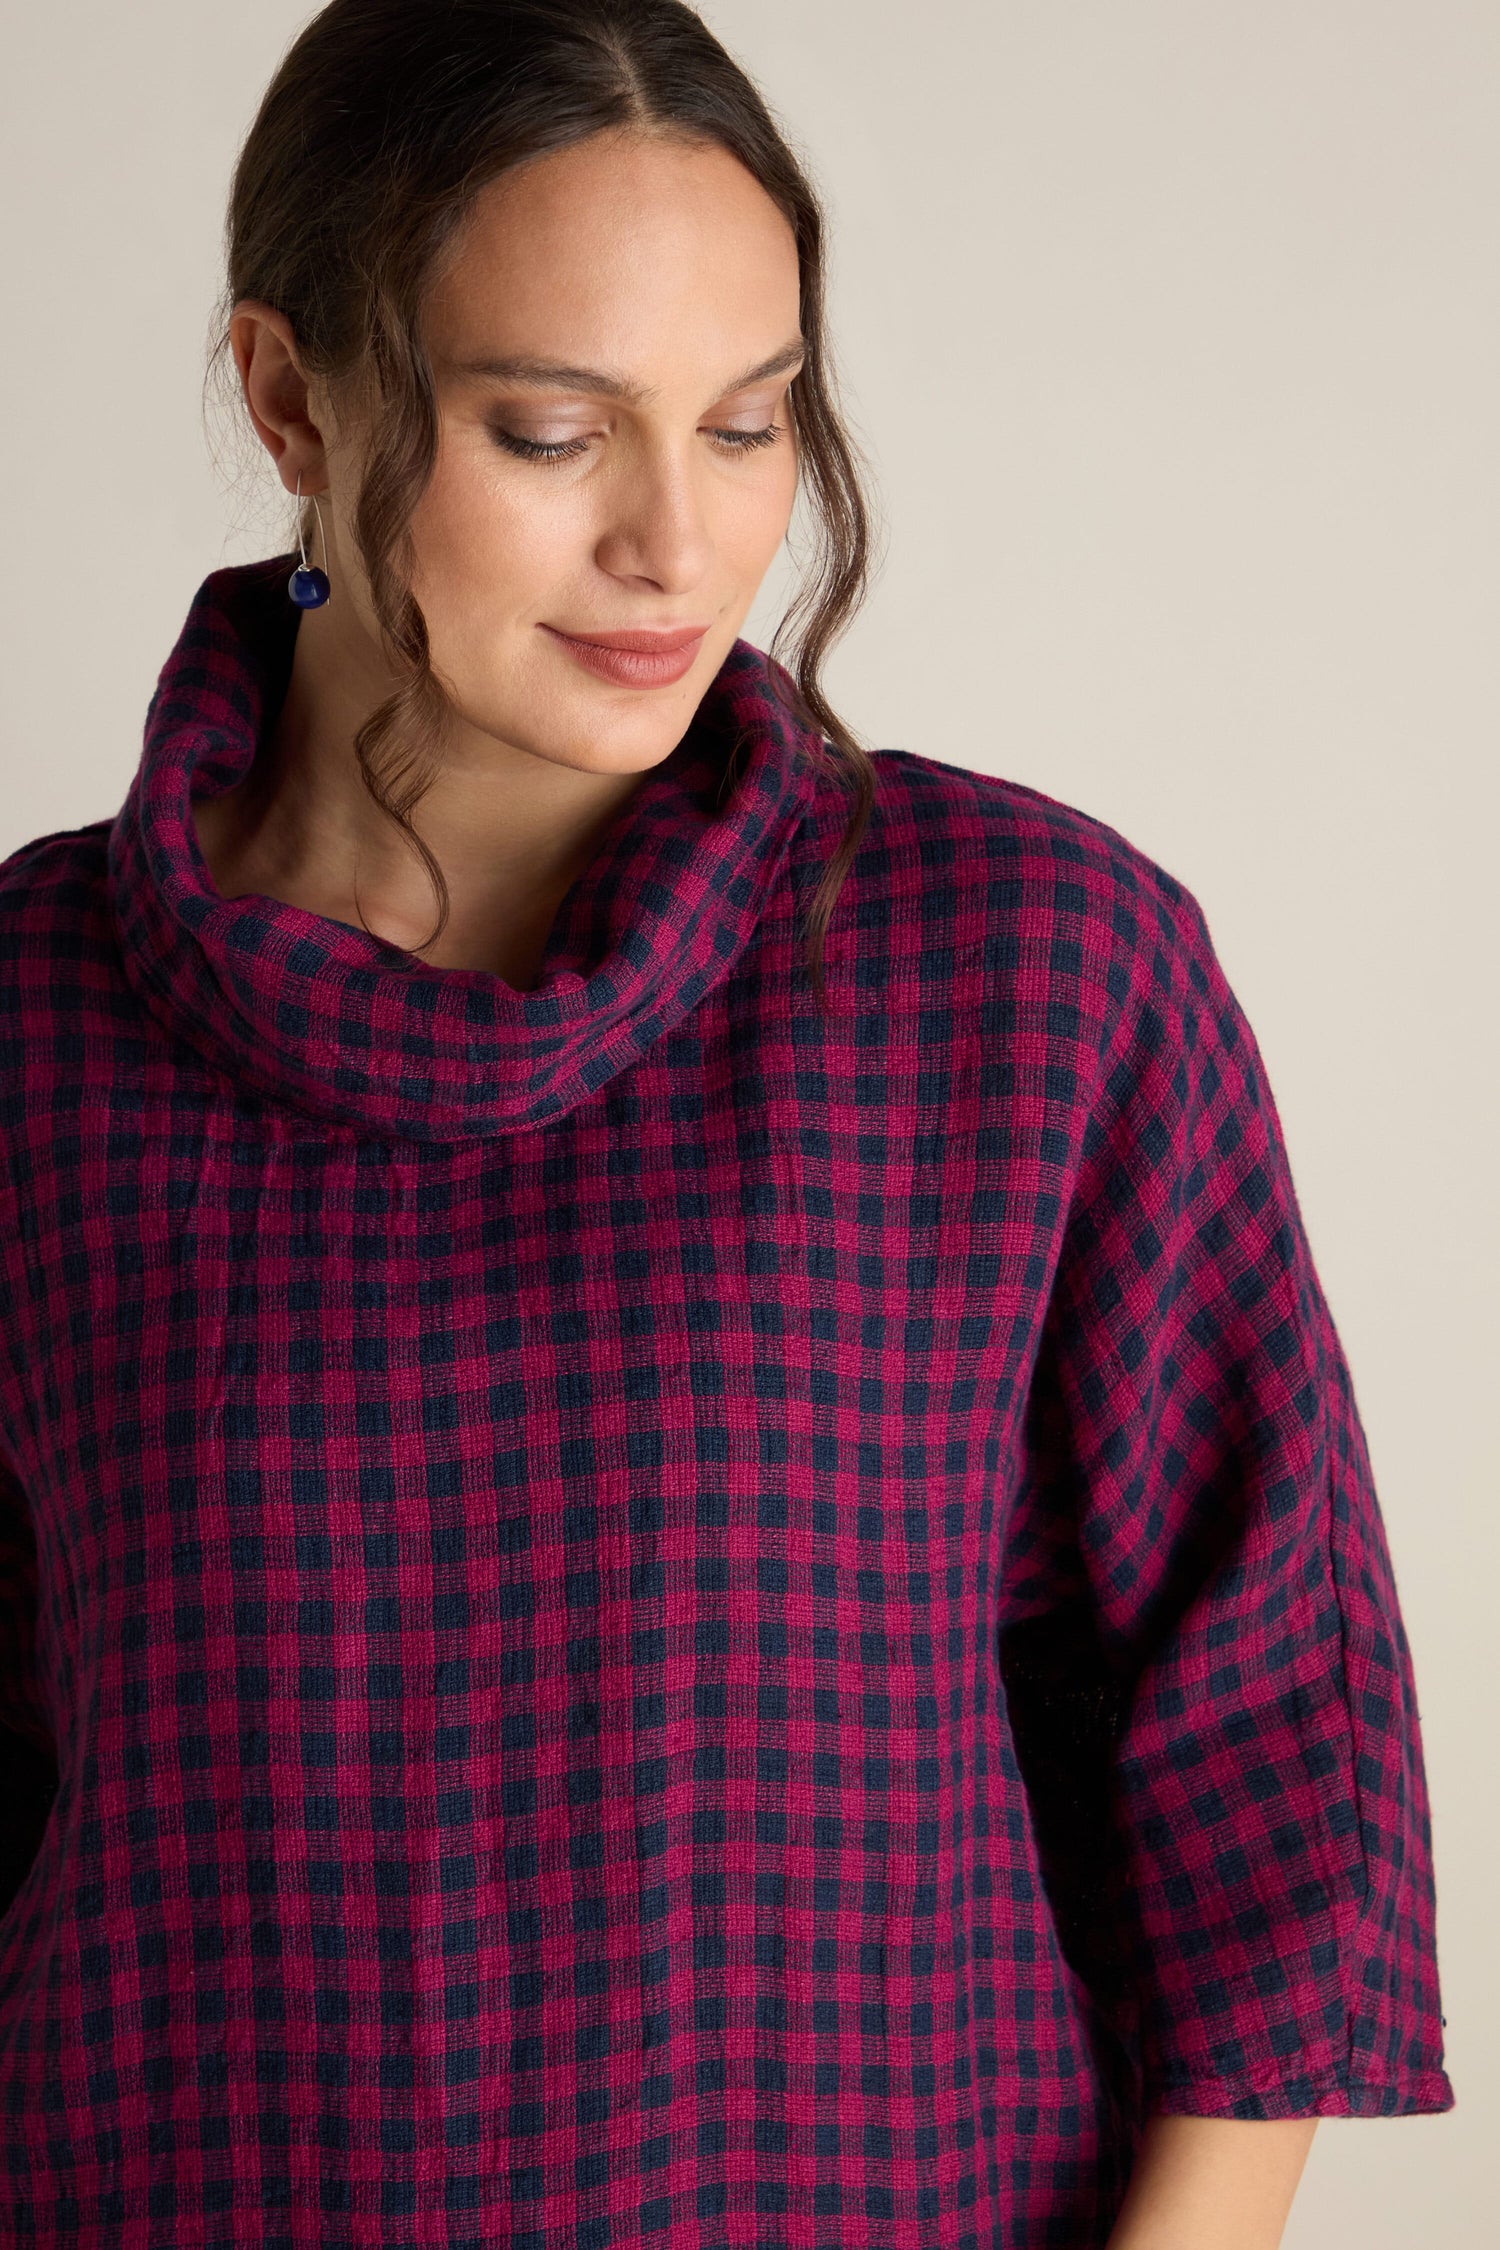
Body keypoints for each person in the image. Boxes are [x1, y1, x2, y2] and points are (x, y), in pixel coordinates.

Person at [0, 3, 1454, 2246]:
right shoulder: (23, 1034)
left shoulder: (1034, 974)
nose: (682, 542)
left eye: (753, 421)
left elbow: (1272, 1766)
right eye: (553, 430)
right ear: (293, 398)